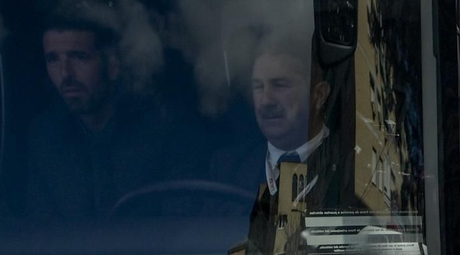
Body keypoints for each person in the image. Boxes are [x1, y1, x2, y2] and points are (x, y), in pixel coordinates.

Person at [25, 15, 185, 218]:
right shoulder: (45, 136)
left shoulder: (165, 127)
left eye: (79, 57)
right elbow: (40, 231)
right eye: (53, 59)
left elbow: (182, 230)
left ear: (113, 65)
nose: (65, 74)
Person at [211, 36, 335, 201]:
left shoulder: (353, 163)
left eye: (279, 85)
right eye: (258, 87)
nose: (266, 100)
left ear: (319, 95)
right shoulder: (225, 168)